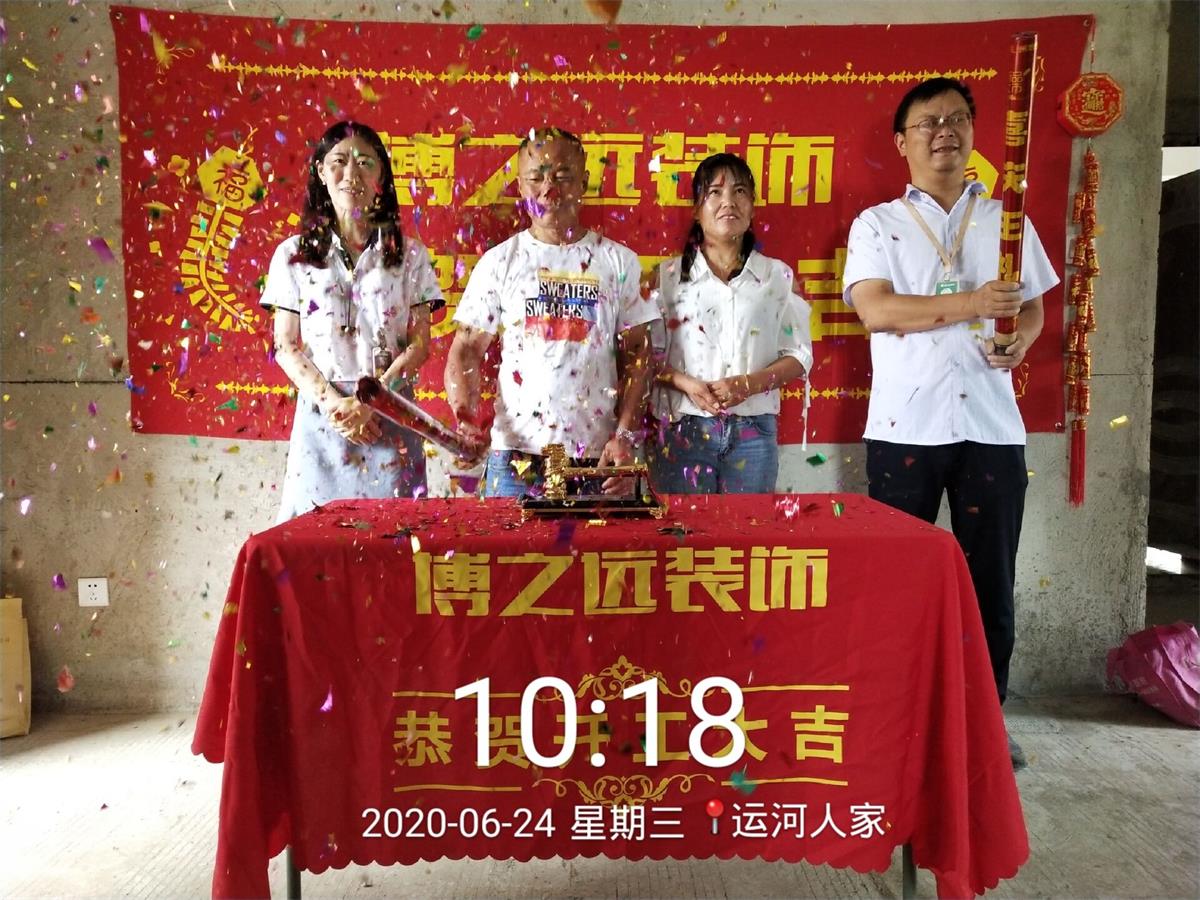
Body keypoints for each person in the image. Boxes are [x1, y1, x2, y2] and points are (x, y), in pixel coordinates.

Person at [842, 77, 1060, 769]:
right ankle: (894, 719)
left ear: (972, 133)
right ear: (901, 141)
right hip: (904, 429)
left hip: (991, 430)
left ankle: (985, 723)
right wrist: (972, 303)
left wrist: (1022, 339)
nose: (945, 131)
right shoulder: (877, 224)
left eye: (958, 119)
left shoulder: (1007, 219)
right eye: (929, 122)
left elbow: (1033, 306)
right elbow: (877, 310)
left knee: (990, 587)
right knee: (896, 586)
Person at [444, 127, 660, 497]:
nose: (549, 189)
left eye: (562, 176)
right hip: (515, 458)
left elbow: (638, 354)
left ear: (584, 182)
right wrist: (465, 419)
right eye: (536, 177)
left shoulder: (618, 261)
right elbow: (465, 349)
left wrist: (624, 435)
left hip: (598, 459)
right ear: (520, 185)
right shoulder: (500, 262)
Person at [263, 120, 444, 522]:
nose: (352, 174)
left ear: (381, 177)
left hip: (390, 413)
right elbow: (285, 346)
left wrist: (371, 403)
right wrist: (334, 404)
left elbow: (419, 345)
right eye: (339, 162)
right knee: (312, 541)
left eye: (365, 163)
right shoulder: (292, 255)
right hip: (323, 414)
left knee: (394, 539)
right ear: (321, 172)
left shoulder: (410, 256)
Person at [649, 153, 811, 494]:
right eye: (715, 193)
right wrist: (684, 382)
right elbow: (644, 357)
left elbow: (799, 355)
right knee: (682, 527)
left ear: (752, 207)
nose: (728, 202)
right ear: (696, 209)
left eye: (739, 192)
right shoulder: (666, 278)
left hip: (754, 432)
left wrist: (749, 384)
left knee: (750, 527)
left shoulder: (777, 276)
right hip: (684, 427)